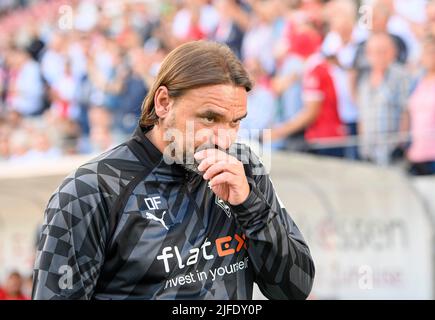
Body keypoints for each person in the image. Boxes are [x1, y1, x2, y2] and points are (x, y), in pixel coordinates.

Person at [32, 40, 315, 300]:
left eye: (234, 122)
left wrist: (250, 206)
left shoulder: (244, 167)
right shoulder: (90, 190)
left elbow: (294, 290)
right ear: (163, 102)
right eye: (209, 118)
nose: (223, 139)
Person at [357, 33, 411, 166]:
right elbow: (362, 115)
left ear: (392, 52)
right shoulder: (364, 79)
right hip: (369, 152)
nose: (377, 56)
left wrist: (400, 144)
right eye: (372, 52)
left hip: (392, 151)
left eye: (381, 51)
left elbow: (406, 111)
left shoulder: (400, 76)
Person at [402, 35, 435, 175]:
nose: (429, 57)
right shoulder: (416, 82)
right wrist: (404, 145)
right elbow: (407, 112)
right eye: (425, 52)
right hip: (416, 154)